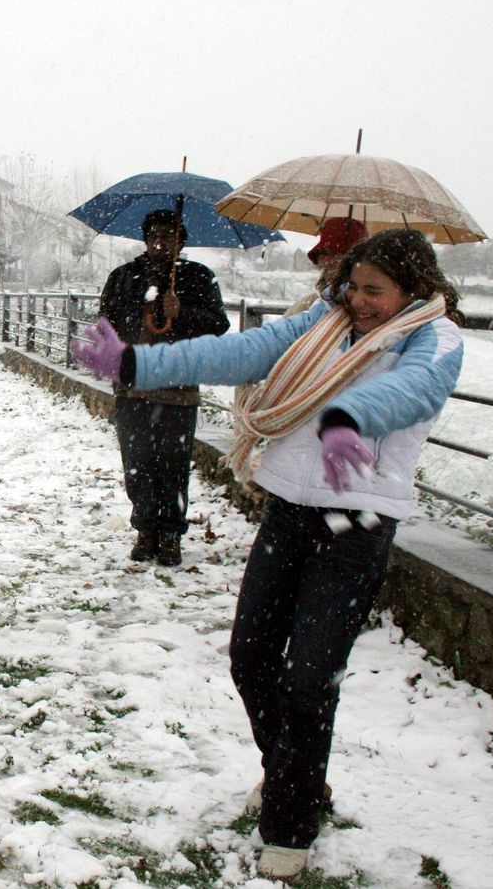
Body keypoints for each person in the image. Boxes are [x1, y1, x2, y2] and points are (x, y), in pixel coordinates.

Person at [73, 229, 464, 880]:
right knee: (251, 658)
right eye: (353, 286)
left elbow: (413, 390)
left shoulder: (435, 338)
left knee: (309, 679)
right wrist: (136, 363)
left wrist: (346, 419)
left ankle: (290, 823)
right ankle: (295, 775)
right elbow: (243, 352)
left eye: (374, 291)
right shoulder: (323, 320)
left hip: (358, 523)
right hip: (288, 509)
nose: (359, 301)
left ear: (414, 290)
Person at [96, 208, 229, 566]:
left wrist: (182, 310)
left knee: (173, 464)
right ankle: (145, 530)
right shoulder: (124, 277)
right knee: (137, 462)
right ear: (145, 239)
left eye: (169, 236)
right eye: (154, 235)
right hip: (133, 388)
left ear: (181, 241)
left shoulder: (199, 278)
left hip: (178, 389)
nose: (160, 242)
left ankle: (170, 534)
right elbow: (106, 326)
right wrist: (137, 314)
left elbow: (218, 324)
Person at [281, 216, 371, 318]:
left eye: (335, 255)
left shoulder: (366, 312)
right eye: (323, 254)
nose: (326, 262)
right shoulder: (308, 306)